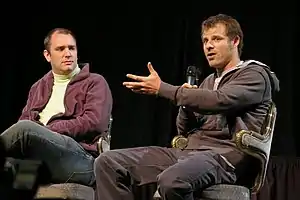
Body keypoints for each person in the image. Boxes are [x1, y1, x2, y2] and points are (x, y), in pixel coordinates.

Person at [94, 14, 280, 200]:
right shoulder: (209, 81)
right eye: (205, 40)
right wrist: (186, 105)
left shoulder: (255, 75)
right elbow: (184, 130)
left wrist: (165, 89)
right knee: (108, 162)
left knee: (173, 180)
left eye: (216, 39)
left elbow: (219, 100)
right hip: (189, 154)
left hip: (224, 159)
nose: (209, 46)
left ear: (235, 41)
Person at [0, 28, 113, 186]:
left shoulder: (94, 82)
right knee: (8, 167)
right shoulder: (38, 87)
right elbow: (24, 124)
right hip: (38, 160)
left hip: (80, 158)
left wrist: (48, 130)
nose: (67, 53)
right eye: (60, 49)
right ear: (47, 55)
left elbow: (94, 122)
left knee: (24, 129)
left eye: (71, 48)